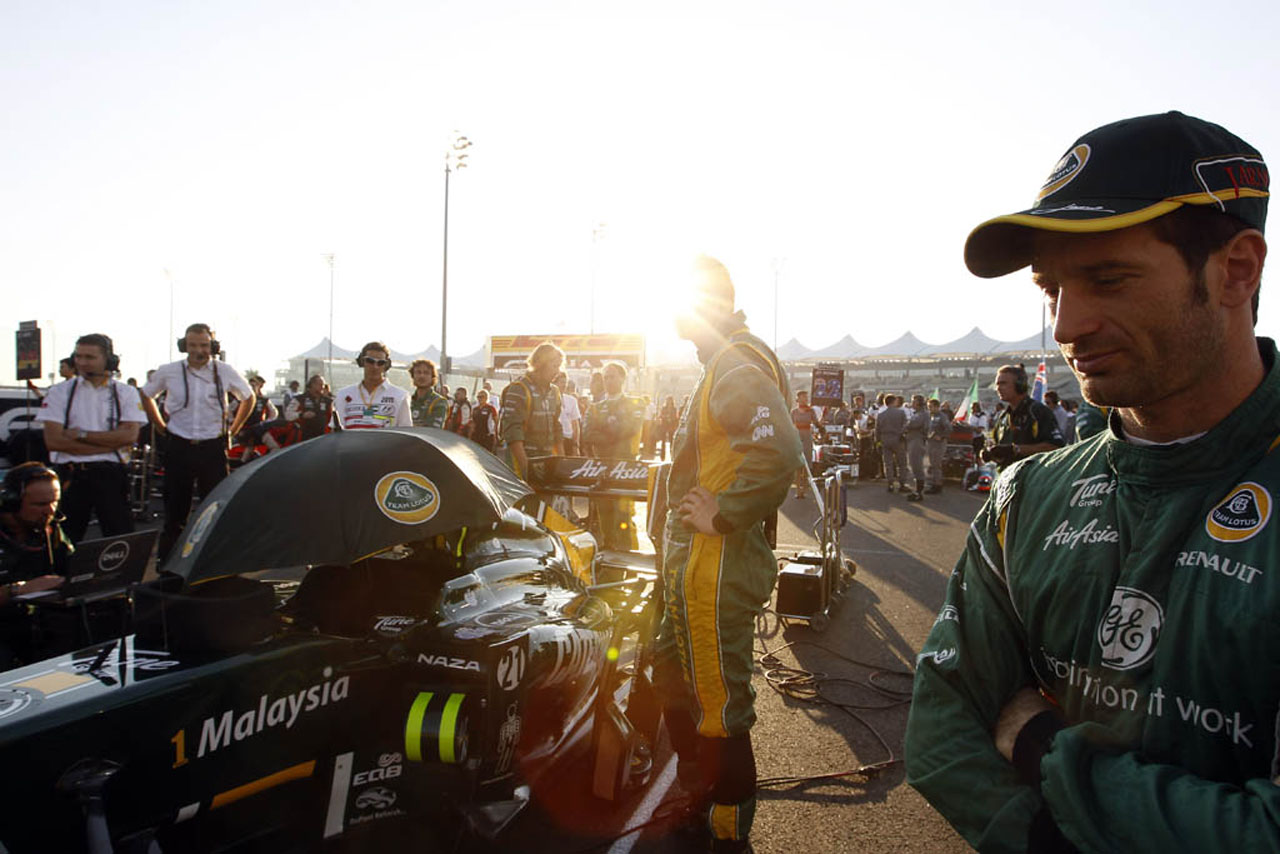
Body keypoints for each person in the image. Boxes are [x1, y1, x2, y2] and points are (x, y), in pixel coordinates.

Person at [905, 111, 1276, 853]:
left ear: (1236, 269)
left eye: (1108, 279)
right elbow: (940, 729)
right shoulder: (1026, 497)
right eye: (1051, 289)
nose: (1066, 325)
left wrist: (1044, 748)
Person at [656, 255, 801, 854]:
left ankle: (724, 833)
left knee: (720, 708)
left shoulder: (736, 362)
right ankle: (696, 799)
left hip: (712, 569)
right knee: (670, 677)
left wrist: (724, 512)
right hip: (692, 568)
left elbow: (779, 449)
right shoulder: (725, 359)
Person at [142, 323, 255, 561]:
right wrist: (160, 426)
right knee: (174, 512)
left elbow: (248, 397)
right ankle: (169, 566)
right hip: (179, 445)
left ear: (212, 346)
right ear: (184, 346)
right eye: (192, 345)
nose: (198, 350)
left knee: (214, 510)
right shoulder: (169, 371)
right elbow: (146, 394)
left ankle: (213, 564)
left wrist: (233, 430)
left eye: (203, 345)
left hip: (212, 447)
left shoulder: (224, 371)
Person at [36, 333, 146, 542]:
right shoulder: (59, 392)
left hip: (111, 476)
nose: (82, 363)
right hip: (71, 476)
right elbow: (54, 441)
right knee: (63, 541)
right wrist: (109, 444)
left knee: (119, 540)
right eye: (78, 357)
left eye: (90, 357)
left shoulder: (126, 393)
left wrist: (80, 435)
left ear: (108, 359)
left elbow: (130, 436)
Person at [0, 464, 70, 667]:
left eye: (54, 502)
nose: (50, 510)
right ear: (12, 502)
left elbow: (71, 567)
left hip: (40, 624)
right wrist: (19, 589)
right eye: (40, 504)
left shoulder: (49, 528)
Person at [581, 361, 641, 549]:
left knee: (624, 519)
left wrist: (604, 431)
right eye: (605, 377)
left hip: (625, 471)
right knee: (604, 517)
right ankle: (609, 563)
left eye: (612, 376)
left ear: (623, 378)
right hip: (602, 470)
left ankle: (630, 563)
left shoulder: (636, 403)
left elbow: (631, 428)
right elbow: (587, 434)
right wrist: (612, 434)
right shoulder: (595, 407)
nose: (608, 380)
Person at [981, 364, 1066, 470]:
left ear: (1020, 385)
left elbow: (1056, 446)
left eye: (1003, 383)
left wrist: (1016, 449)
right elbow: (1000, 449)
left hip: (1033, 480)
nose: (998, 388)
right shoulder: (1003, 417)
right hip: (1006, 480)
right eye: (997, 384)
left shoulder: (1037, 411)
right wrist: (991, 454)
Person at [499, 343, 564, 479]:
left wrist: (561, 462)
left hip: (547, 465)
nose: (557, 372)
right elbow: (512, 432)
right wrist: (526, 467)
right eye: (554, 366)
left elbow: (557, 428)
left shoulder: (555, 392)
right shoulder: (519, 389)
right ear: (540, 363)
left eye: (559, 366)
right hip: (520, 467)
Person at [333, 342, 412, 431]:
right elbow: (335, 431)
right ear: (362, 361)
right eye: (370, 361)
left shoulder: (400, 396)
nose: (375, 367)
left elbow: (406, 433)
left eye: (380, 363)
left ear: (386, 365)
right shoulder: (343, 394)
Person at [285, 374, 333, 442]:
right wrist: (302, 415)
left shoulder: (328, 401)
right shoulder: (300, 399)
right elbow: (288, 415)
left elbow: (332, 418)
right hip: (304, 438)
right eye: (320, 385)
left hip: (323, 438)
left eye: (323, 385)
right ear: (313, 385)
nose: (322, 387)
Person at [875, 395, 908, 492]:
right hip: (898, 439)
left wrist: (878, 442)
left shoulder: (881, 415)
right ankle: (902, 484)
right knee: (901, 463)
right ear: (894, 401)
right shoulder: (901, 413)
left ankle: (890, 484)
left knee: (888, 463)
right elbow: (905, 426)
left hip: (885, 439)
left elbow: (877, 430)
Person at [790, 390, 817, 498]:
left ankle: (804, 489)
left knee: (806, 464)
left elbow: (816, 422)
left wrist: (821, 427)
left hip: (807, 438)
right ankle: (798, 490)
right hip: (797, 437)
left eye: (806, 397)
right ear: (798, 398)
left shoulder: (811, 411)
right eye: (803, 397)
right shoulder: (794, 412)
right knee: (797, 464)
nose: (806, 399)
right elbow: (790, 425)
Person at [408, 359, 448, 429]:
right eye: (418, 372)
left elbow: (432, 430)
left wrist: (408, 426)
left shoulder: (439, 401)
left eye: (426, 373)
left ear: (432, 377)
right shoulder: (407, 400)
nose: (422, 376)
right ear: (413, 376)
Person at [902, 393, 929, 501]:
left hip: (917, 440)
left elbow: (911, 424)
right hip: (913, 439)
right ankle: (917, 490)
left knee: (917, 466)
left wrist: (906, 425)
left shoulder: (922, 414)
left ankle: (919, 492)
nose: (912, 403)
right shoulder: (917, 413)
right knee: (914, 465)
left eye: (914, 401)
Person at [924, 397, 949, 495]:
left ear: (936, 407)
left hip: (939, 444)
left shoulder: (942, 416)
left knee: (936, 465)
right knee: (933, 464)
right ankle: (935, 482)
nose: (929, 408)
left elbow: (948, 428)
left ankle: (937, 485)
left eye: (930, 407)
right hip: (931, 442)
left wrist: (942, 436)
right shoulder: (931, 416)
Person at [554, 372, 582, 456]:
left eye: (565, 382)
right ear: (554, 383)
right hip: (554, 441)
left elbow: (575, 424)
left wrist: (576, 446)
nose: (564, 385)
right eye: (561, 382)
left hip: (568, 440)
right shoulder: (548, 400)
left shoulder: (572, 400)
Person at [470, 388, 499, 453]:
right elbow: (472, 423)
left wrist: (496, 436)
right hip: (476, 435)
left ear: (486, 398)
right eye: (478, 397)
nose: (479, 399)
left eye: (481, 397)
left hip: (487, 436)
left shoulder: (491, 408)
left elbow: (496, 422)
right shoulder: (475, 409)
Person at [657, 395, 680, 460]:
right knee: (663, 441)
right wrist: (665, 417)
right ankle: (662, 456)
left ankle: (672, 455)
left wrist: (672, 419)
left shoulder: (674, 408)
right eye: (668, 400)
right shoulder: (664, 408)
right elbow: (660, 415)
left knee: (671, 441)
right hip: (664, 425)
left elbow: (676, 417)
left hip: (671, 426)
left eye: (670, 400)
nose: (669, 402)